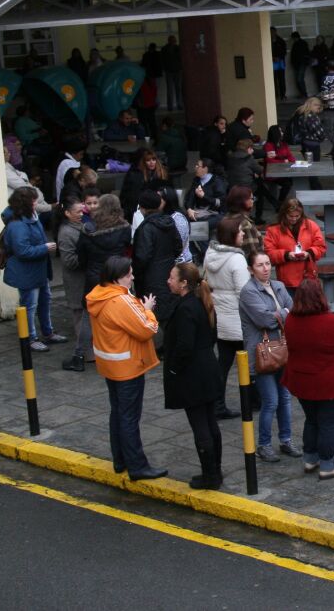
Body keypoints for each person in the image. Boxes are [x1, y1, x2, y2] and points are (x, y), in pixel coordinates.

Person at [87, 255, 165, 480]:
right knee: (129, 418)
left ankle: (120, 460)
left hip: (110, 365)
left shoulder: (99, 296)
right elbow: (147, 329)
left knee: (118, 414)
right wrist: (147, 309)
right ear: (117, 277)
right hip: (128, 367)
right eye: (129, 274)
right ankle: (137, 466)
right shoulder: (121, 301)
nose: (132, 277)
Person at [282, 279, 334, 480]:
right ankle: (328, 465)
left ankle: (310, 458)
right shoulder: (331, 322)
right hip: (330, 383)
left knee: (312, 420)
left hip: (302, 381)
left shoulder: (291, 321)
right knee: (329, 424)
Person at [162, 262, 225, 490]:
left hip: (194, 375)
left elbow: (184, 346)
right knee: (210, 422)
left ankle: (210, 475)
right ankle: (215, 470)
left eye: (172, 277)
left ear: (184, 283)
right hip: (208, 369)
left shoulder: (187, 308)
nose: (168, 281)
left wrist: (173, 369)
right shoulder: (202, 302)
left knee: (201, 426)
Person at [239, 250, 296, 463]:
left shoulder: (278, 286)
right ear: (250, 270)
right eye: (260, 265)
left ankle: (286, 439)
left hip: (281, 351)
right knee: (271, 401)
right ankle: (264, 444)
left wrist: (281, 314)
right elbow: (265, 320)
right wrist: (284, 313)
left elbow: (293, 309)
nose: (265, 268)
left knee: (285, 398)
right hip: (262, 354)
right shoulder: (248, 292)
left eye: (268, 263)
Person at [0, 186, 63, 352]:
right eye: (33, 201)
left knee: (44, 300)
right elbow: (23, 251)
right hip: (27, 273)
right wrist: (45, 248)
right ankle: (31, 338)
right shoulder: (18, 225)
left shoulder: (29, 218)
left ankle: (47, 332)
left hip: (37, 271)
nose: (36, 203)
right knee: (30, 305)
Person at [203, 216, 249, 421]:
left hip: (219, 315)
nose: (244, 234)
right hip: (237, 318)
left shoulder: (210, 253)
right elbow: (244, 293)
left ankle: (216, 404)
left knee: (223, 361)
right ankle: (251, 401)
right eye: (240, 231)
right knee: (249, 361)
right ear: (232, 235)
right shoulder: (237, 259)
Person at [131, 190, 181, 318]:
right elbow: (178, 247)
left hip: (151, 279)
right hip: (170, 273)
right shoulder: (169, 223)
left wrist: (136, 273)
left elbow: (142, 257)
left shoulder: (145, 228)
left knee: (153, 315)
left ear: (142, 208)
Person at [56, 198, 92, 372]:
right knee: (80, 316)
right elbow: (69, 261)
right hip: (76, 282)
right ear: (67, 213)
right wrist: (88, 257)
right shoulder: (65, 233)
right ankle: (85, 352)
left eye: (82, 210)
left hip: (85, 279)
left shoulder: (82, 226)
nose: (82, 214)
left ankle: (89, 351)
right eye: (78, 211)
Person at [264, 197, 326, 292]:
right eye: (290, 216)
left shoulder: (311, 225)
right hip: (287, 280)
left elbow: (321, 247)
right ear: (284, 214)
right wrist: (286, 255)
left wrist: (309, 253)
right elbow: (269, 253)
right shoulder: (273, 230)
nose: (294, 219)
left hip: (308, 277)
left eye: (297, 216)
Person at [119, 149, 170, 219]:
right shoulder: (137, 175)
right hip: (142, 205)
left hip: (157, 203)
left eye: (153, 159)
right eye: (148, 160)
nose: (151, 162)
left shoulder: (162, 173)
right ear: (144, 162)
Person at [259, 124, 295, 215]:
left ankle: (280, 203)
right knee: (287, 183)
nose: (282, 133)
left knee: (289, 182)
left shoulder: (284, 144)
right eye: (280, 131)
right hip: (272, 174)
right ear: (276, 133)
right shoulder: (268, 145)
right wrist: (284, 160)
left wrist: (279, 158)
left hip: (283, 172)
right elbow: (270, 161)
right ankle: (280, 205)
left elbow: (292, 158)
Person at [288, 97, 327, 162]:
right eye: (317, 106)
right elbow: (319, 132)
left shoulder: (300, 114)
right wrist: (322, 137)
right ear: (312, 105)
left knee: (308, 163)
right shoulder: (311, 116)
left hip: (304, 143)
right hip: (313, 144)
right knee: (315, 164)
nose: (318, 108)